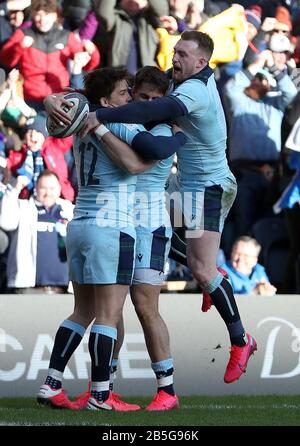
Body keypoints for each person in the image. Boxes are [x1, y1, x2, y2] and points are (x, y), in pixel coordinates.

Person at [78, 30, 258, 384]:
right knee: (154, 229)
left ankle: (241, 340)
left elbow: (155, 108)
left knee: (202, 269)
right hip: (183, 185)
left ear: (201, 62)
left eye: (182, 54)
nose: (174, 58)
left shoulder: (193, 90)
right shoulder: (185, 81)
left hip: (207, 186)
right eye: (175, 51)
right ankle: (211, 280)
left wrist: (100, 115)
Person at [37, 67, 187, 410]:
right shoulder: (119, 122)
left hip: (80, 223)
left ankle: (52, 383)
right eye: (125, 93)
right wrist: (180, 138)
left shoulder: (81, 124)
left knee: (82, 311)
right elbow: (140, 160)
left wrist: (51, 100)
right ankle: (101, 395)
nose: (130, 99)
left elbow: (66, 102)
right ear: (105, 101)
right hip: (113, 225)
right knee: (108, 314)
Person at [0, 0, 100, 111]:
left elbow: (87, 65)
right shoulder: (23, 34)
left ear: (54, 16)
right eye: (39, 15)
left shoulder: (66, 36)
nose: (43, 20)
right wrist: (20, 46)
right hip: (30, 100)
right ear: (33, 15)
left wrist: (93, 53)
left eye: (47, 15)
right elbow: (6, 60)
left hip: (60, 99)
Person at [0, 169, 74, 293]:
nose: (48, 193)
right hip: (29, 288)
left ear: (59, 189)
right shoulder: (24, 207)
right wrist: (15, 190)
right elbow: (6, 223)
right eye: (43, 188)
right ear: (36, 188)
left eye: (52, 188)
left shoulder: (69, 210)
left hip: (65, 290)